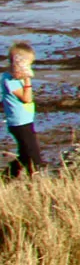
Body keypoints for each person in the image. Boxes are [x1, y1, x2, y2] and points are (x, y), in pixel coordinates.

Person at [4, 41, 42, 177]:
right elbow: (26, 98)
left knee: (25, 153)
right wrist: (27, 81)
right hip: (18, 123)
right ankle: (36, 175)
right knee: (33, 152)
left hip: (25, 120)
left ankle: (8, 176)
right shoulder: (10, 80)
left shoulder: (16, 79)